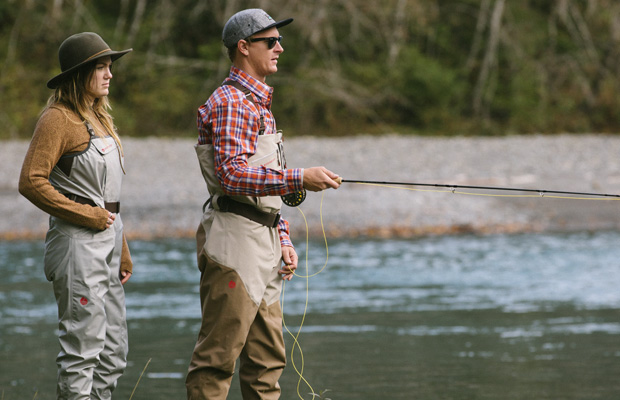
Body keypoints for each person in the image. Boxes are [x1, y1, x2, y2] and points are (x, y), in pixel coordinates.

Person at [186, 8, 340, 400]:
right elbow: (231, 175)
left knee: (267, 363)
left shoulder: (259, 106)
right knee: (216, 362)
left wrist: (283, 236)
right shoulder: (232, 102)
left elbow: (265, 188)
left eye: (279, 41)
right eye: (271, 42)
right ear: (243, 47)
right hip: (234, 243)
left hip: (264, 240)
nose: (280, 49)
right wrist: (300, 177)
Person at [18, 32, 133, 399]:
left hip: (109, 243)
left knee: (113, 354)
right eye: (100, 67)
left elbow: (108, 199)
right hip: (76, 246)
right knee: (82, 353)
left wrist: (123, 247)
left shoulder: (99, 118)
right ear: (79, 73)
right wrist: (85, 215)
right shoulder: (57, 119)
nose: (109, 74)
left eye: (109, 66)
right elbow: (31, 181)